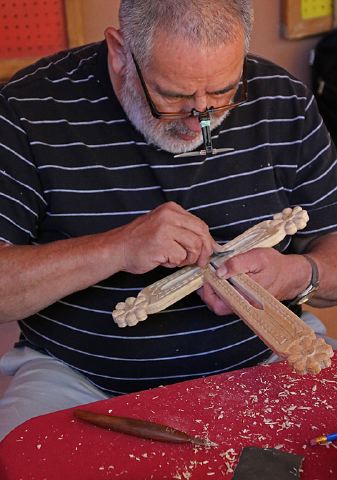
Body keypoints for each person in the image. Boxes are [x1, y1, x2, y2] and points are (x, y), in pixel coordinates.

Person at [1, 0, 337, 440]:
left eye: (223, 92)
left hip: (267, 358)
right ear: (121, 52)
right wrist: (116, 248)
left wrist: (298, 275)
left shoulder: (283, 99)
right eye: (174, 96)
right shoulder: (29, 109)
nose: (203, 120)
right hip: (80, 380)